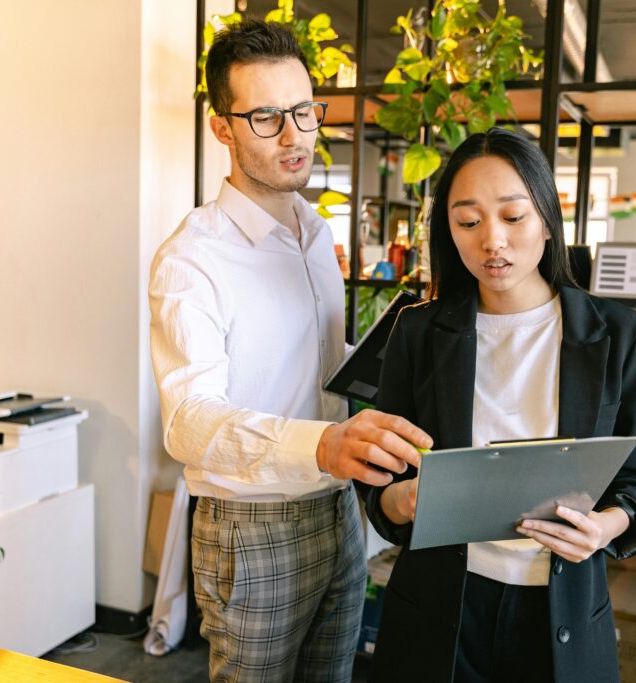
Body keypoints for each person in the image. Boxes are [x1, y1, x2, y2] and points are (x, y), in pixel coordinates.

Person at [149, 19, 432, 683]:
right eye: (267, 117)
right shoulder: (193, 258)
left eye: (304, 111)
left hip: (338, 503)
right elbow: (187, 421)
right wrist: (320, 444)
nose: (295, 136)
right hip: (252, 525)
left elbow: (319, 364)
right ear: (223, 128)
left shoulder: (313, 230)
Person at [356, 127, 636, 683]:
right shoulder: (419, 332)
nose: (491, 241)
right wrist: (407, 500)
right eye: (468, 222)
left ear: (547, 218)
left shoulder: (615, 334)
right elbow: (380, 490)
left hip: (561, 612)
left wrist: (605, 527)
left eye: (513, 217)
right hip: (440, 610)